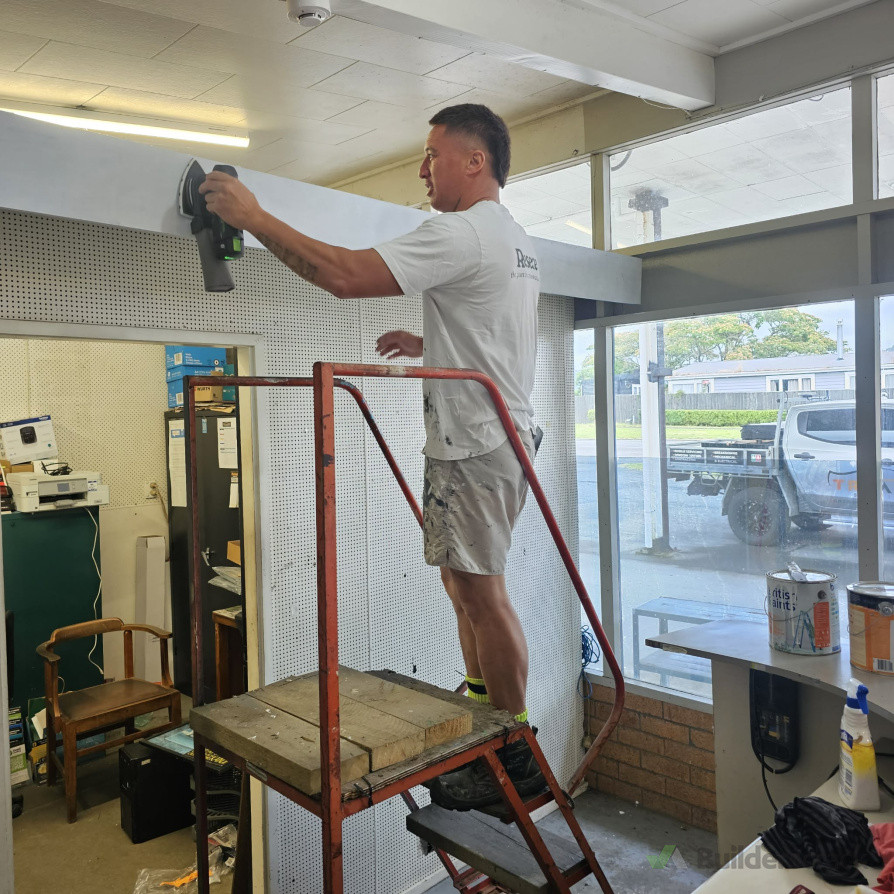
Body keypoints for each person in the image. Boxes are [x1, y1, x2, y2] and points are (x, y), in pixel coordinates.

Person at [199, 103, 544, 811]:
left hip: (478, 442)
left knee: (483, 593)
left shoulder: (463, 231)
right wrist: (433, 344)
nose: (423, 169)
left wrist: (253, 217)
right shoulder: (511, 238)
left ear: (474, 161)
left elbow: (343, 275)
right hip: (490, 437)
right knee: (462, 587)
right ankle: (486, 714)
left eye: (434, 154)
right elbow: (497, 328)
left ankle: (514, 750)